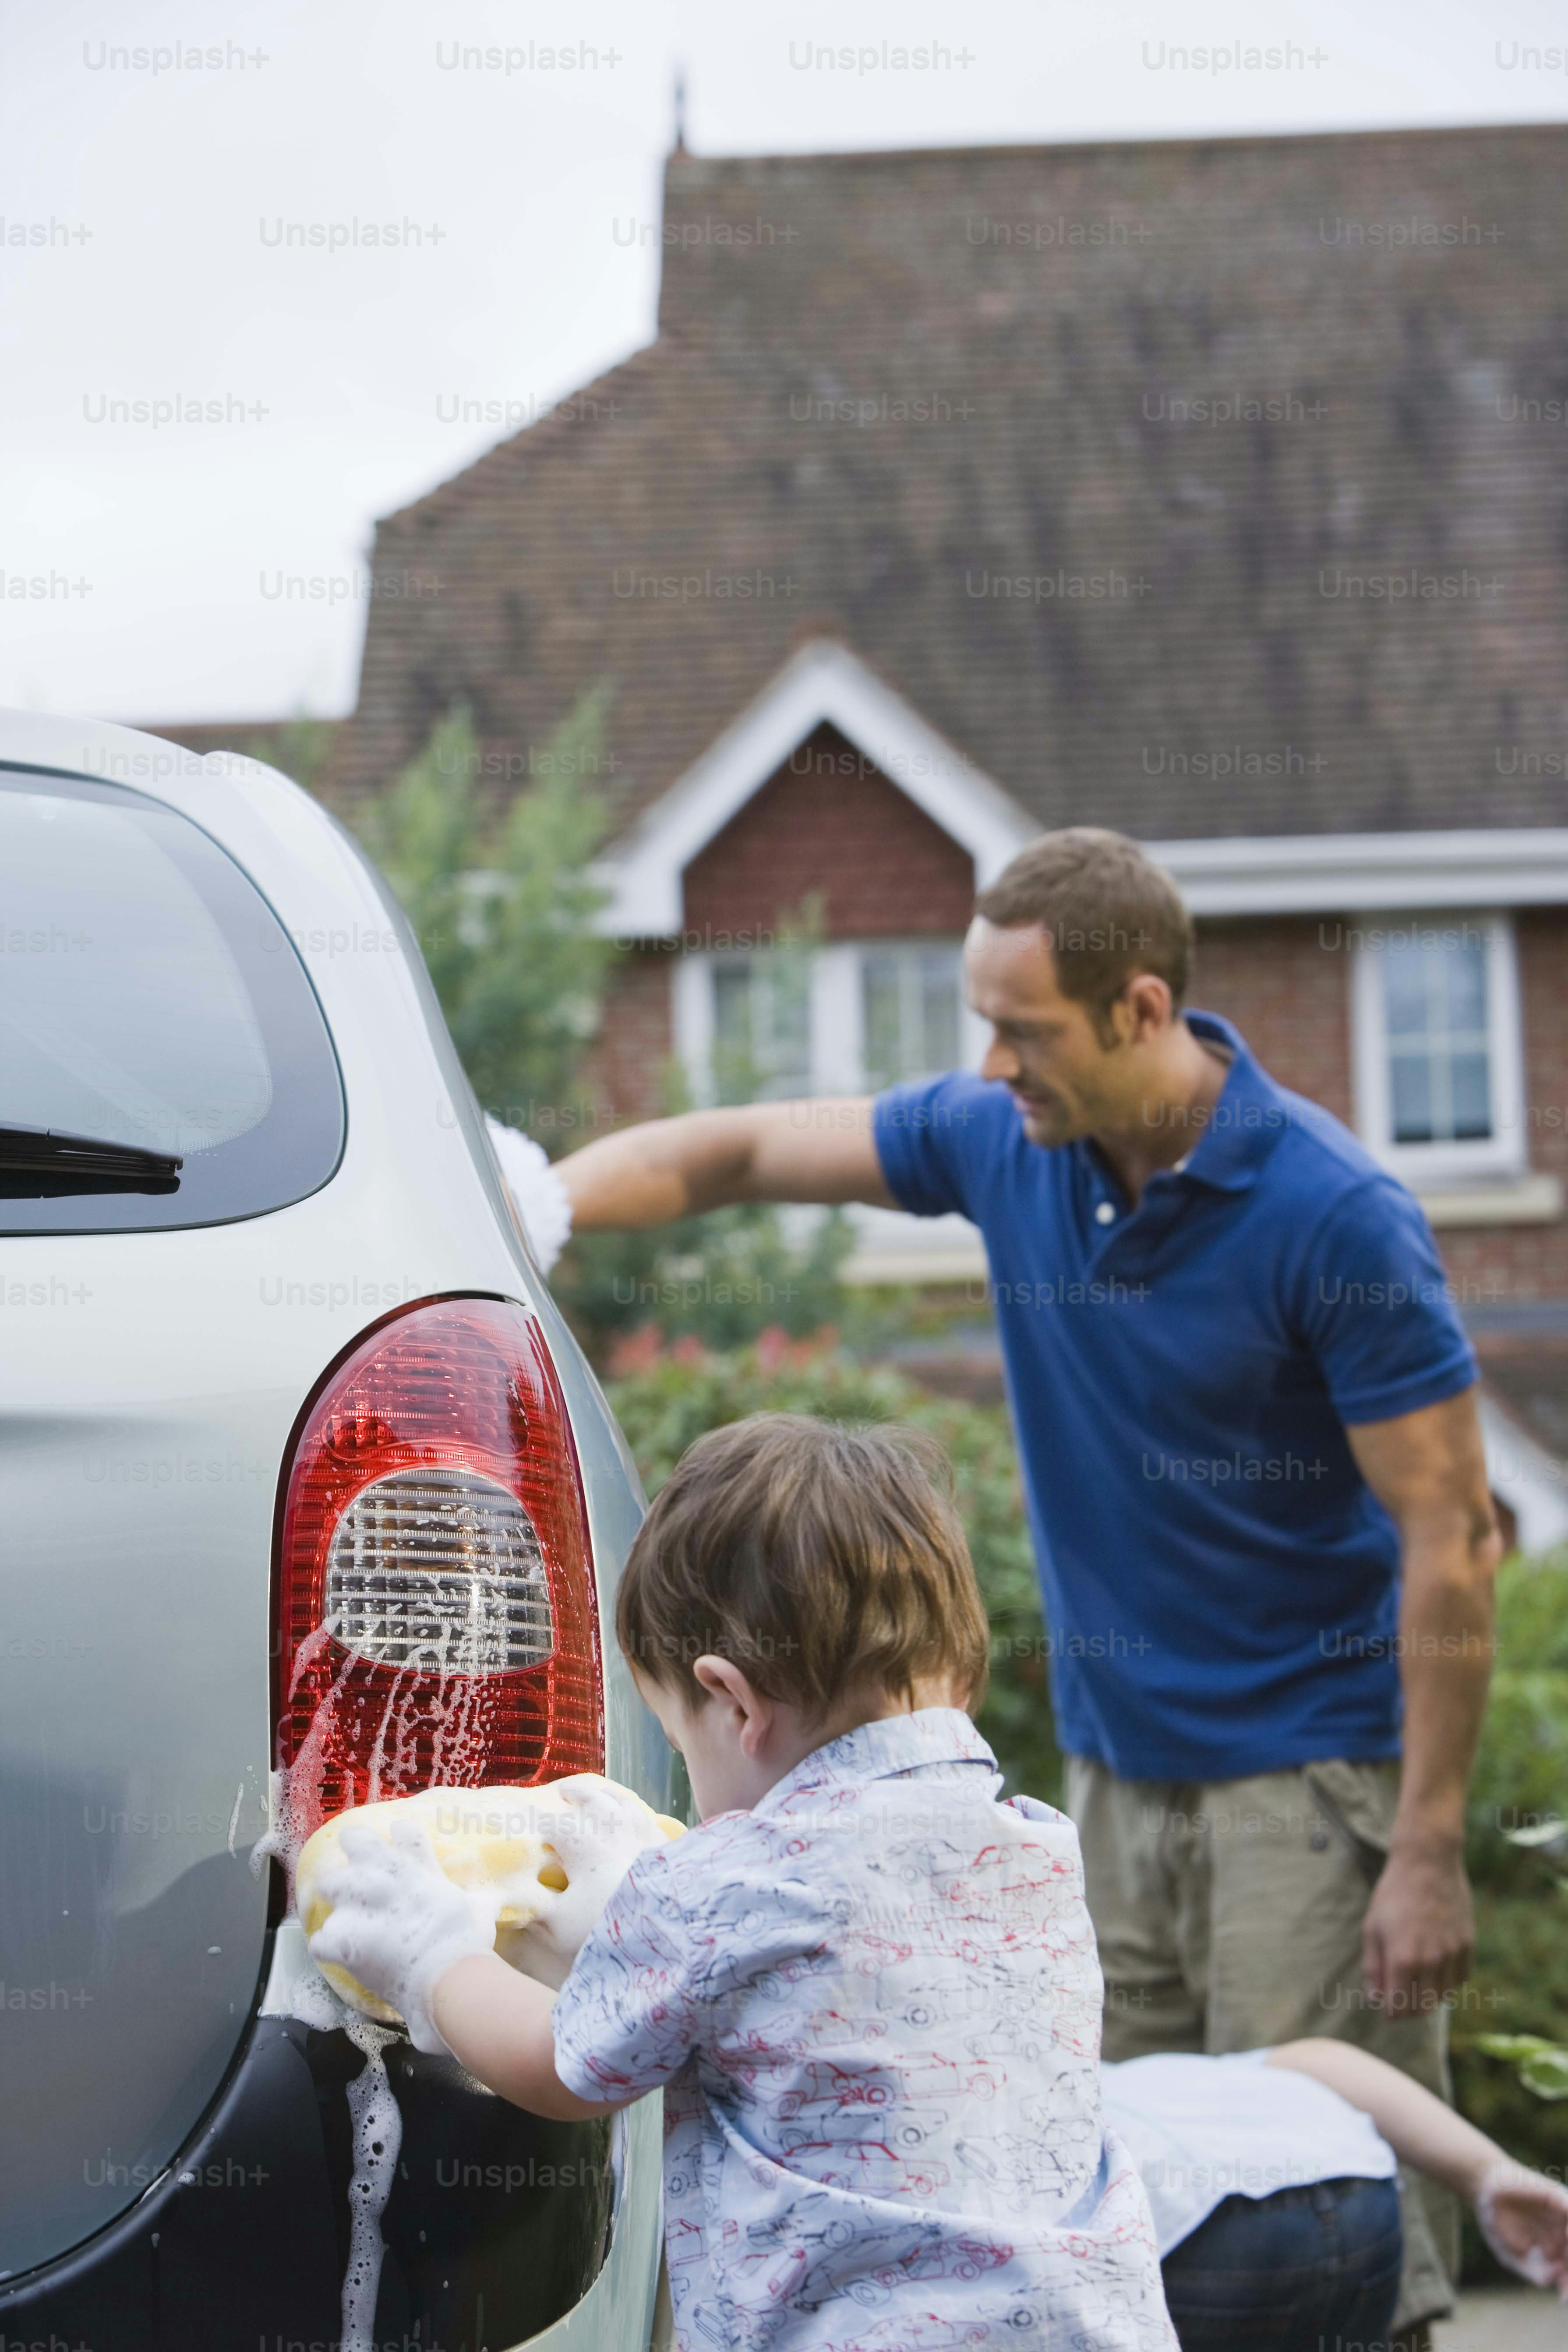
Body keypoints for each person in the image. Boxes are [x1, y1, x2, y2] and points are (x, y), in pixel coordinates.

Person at [524, 827, 1500, 2346]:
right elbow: (734, 1153)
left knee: (1321, 2206)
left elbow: (1453, 1533)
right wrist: (539, 1212)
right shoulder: (1008, 1141)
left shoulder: (1335, 1217)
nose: (991, 1063)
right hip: (1110, 1787)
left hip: (1303, 1790)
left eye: (1022, 1030)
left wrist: (1429, 1846)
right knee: (1098, 2211)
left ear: (1143, 1010)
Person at [308, 1413, 1178, 2352]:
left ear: (731, 1702)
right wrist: (634, 1920)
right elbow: (838, 1997)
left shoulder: (722, 1881)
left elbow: (560, 2067)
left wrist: (430, 1955)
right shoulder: (1035, 1854)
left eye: (685, 1745)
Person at [1103, 2037, 1568, 2348]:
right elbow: (1319, 2057)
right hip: (1361, 2196)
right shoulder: (1163, 2077)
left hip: (1207, 2239)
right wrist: (1490, 2174)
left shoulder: (1056, 2095)